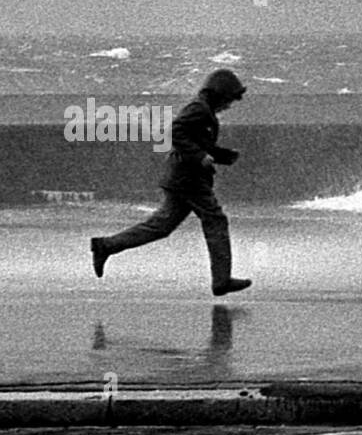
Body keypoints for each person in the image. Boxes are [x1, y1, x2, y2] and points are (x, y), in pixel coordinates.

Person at [90, 68, 252, 295]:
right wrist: (200, 156)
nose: (229, 106)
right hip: (188, 179)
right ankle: (221, 280)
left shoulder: (204, 109)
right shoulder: (199, 109)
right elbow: (175, 132)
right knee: (215, 220)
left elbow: (193, 140)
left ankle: (105, 246)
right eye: (228, 100)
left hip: (182, 178)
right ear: (219, 93)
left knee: (161, 226)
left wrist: (221, 155)